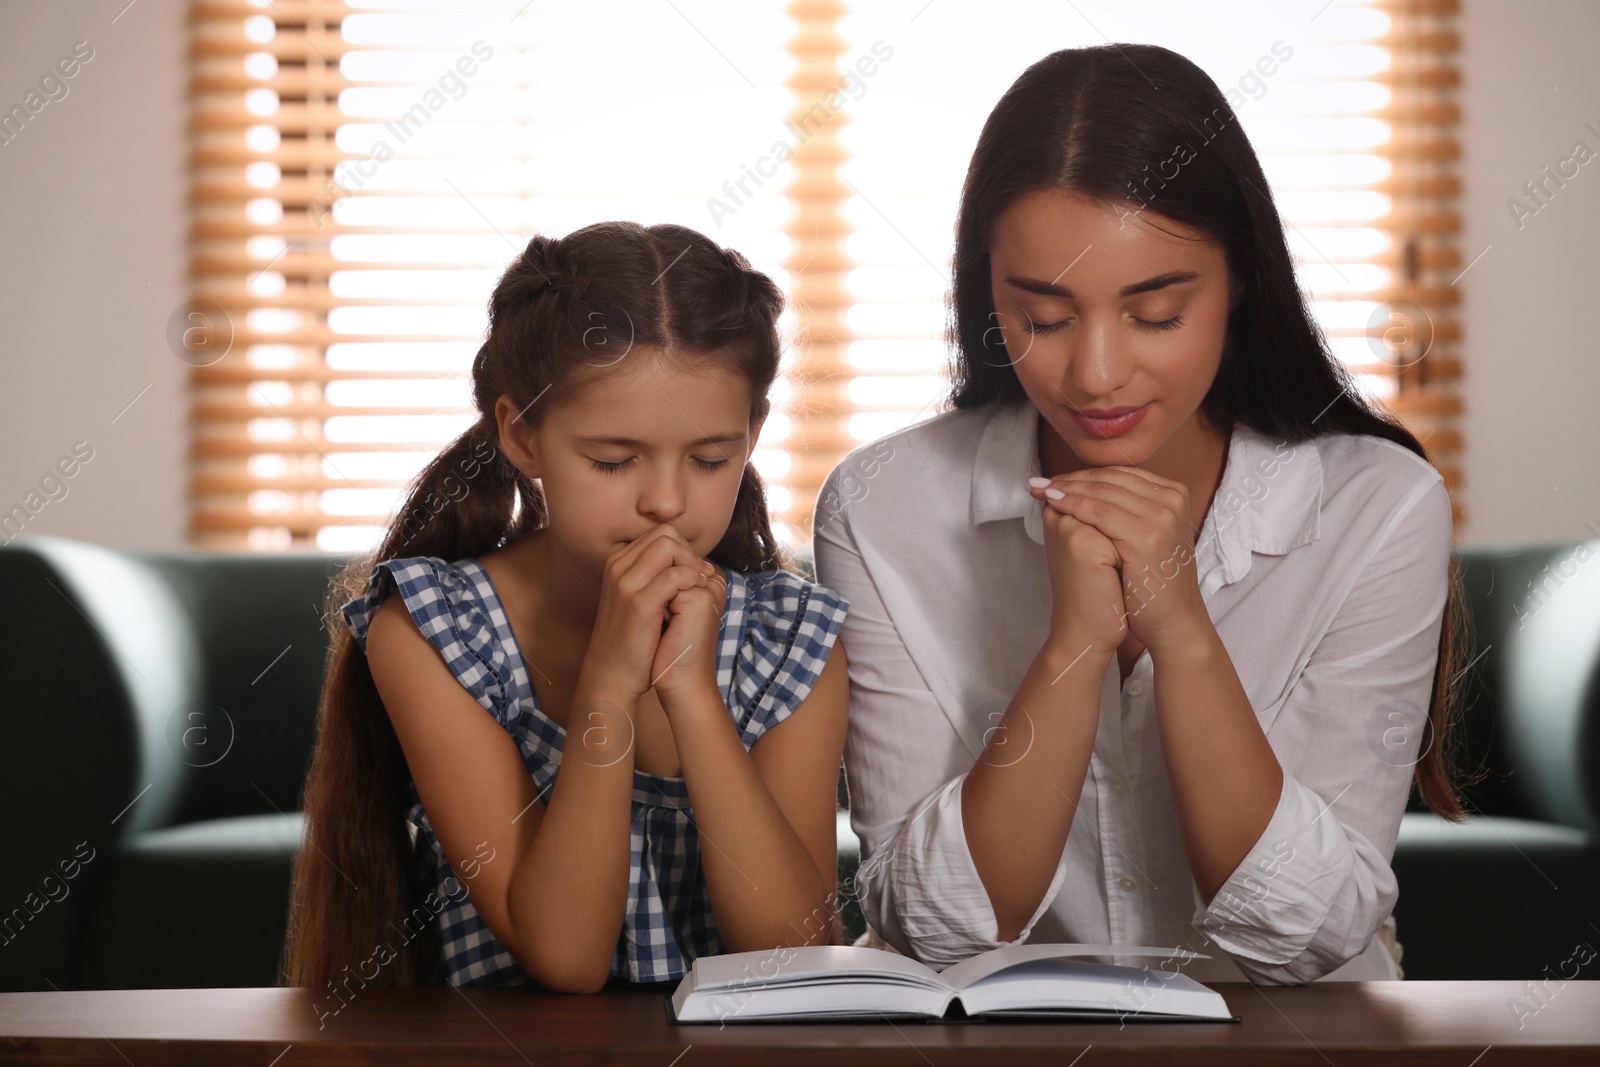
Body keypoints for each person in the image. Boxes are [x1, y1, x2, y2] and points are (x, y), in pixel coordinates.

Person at [814, 43, 1476, 985]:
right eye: (1040, 315)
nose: (1095, 374)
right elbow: (934, 929)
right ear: (984, 289)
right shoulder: (882, 508)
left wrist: (1184, 636)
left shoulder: (1378, 505)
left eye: (1155, 312)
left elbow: (1310, 938)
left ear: (1239, 278)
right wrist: (1074, 650)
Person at [283, 221, 850, 997]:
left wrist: (690, 692)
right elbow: (567, 955)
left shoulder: (792, 637)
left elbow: (792, 954)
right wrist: (609, 686)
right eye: (612, 461)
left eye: (711, 458)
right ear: (521, 436)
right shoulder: (432, 627)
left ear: (752, 435)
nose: (667, 501)